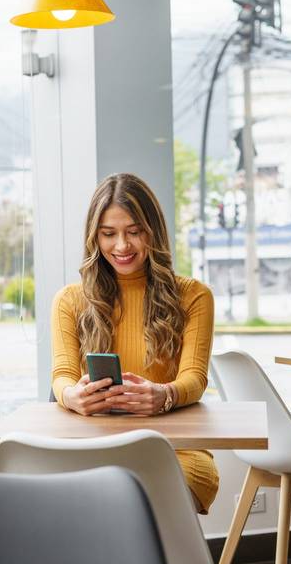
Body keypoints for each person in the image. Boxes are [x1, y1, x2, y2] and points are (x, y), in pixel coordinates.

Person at [51, 172, 219, 514]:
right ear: (94, 238)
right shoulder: (70, 301)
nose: (122, 246)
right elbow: (63, 374)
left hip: (174, 449)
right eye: (108, 234)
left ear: (152, 231)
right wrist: (72, 396)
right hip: (94, 448)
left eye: (134, 232)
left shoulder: (193, 296)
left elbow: (195, 379)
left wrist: (165, 395)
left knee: (147, 495)